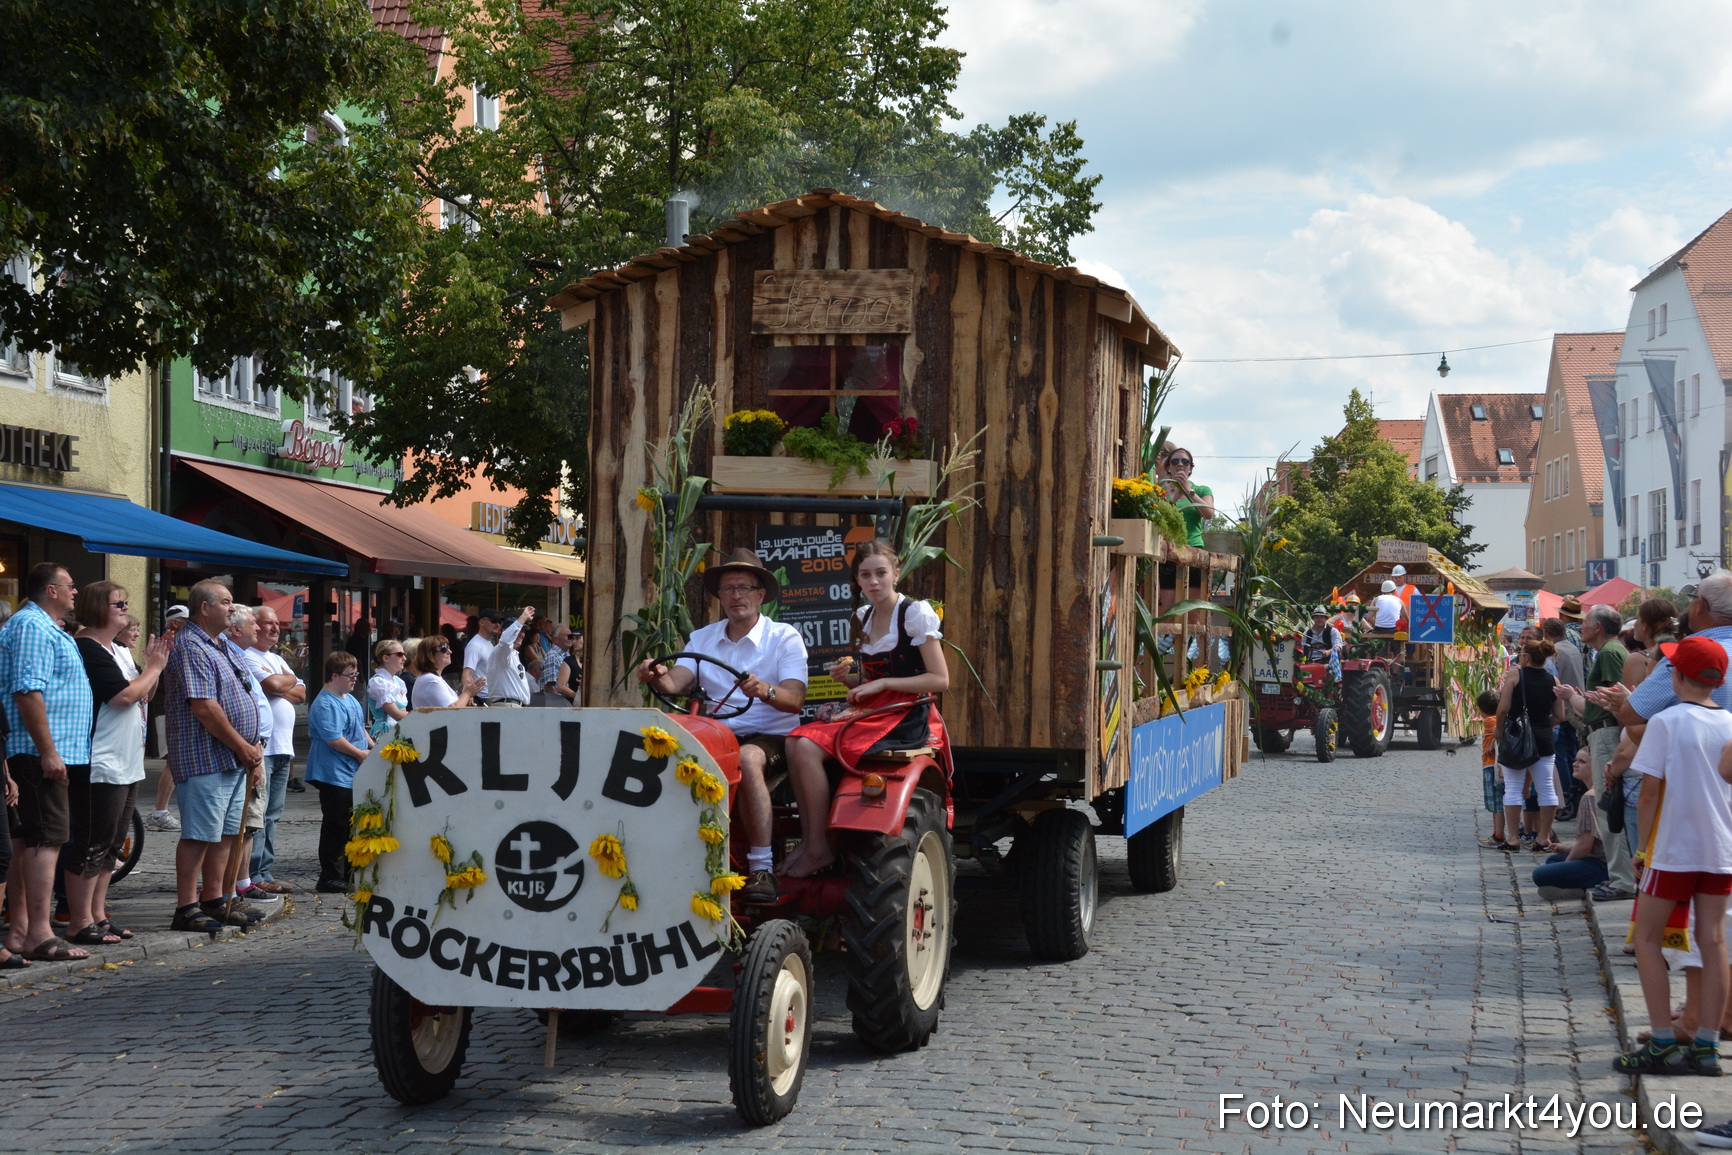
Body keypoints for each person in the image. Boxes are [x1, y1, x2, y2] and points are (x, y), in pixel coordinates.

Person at [636, 548, 808, 903]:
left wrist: (765, 689)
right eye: (728, 589)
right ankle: (660, 855)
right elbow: (674, 683)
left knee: (746, 758)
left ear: (760, 595)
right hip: (717, 735)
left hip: (770, 737)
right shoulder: (703, 638)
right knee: (656, 748)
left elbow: (794, 699)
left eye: (744, 588)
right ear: (720, 597)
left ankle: (761, 867)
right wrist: (656, 675)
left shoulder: (784, 637)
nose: (736, 596)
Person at [783, 541, 950, 879]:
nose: (874, 582)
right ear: (857, 580)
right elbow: (868, 681)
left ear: (896, 574)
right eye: (865, 575)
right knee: (793, 741)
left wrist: (882, 684)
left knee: (805, 747)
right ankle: (814, 840)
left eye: (880, 573)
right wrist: (851, 679)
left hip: (905, 712)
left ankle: (817, 848)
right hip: (874, 709)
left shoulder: (914, 614)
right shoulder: (864, 615)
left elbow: (940, 679)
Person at [1613, 635, 1732, 1077]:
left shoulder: (1666, 722)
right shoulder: (1731, 724)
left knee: (1647, 939)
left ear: (1676, 676)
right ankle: (1707, 1044)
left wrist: (1642, 850)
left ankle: (1662, 1039)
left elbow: (1649, 792)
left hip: (1674, 849)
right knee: (1714, 942)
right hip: (1720, 849)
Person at [0, 563, 94, 962]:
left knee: (32, 844)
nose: (75, 592)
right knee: (45, 840)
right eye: (70, 586)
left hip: (50, 750)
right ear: (51, 590)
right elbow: (27, 691)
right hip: (37, 751)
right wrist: (48, 750)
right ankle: (40, 931)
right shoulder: (32, 627)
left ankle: (21, 932)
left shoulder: (45, 627)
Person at [162, 580, 267, 933]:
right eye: (225, 602)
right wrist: (243, 746)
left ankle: (216, 898)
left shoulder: (220, 644)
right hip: (204, 756)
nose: (232, 608)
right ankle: (186, 906)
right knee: (199, 835)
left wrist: (252, 752)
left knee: (225, 834)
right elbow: (205, 708)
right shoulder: (192, 645)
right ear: (204, 608)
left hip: (234, 759)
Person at [69, 581, 169, 946]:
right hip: (101, 758)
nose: (125, 609)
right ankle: (79, 919)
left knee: (112, 844)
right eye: (118, 604)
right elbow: (124, 697)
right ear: (99, 608)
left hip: (127, 758)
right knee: (92, 842)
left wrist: (155, 668)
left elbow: (144, 692)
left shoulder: (118, 647)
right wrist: (154, 669)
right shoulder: (89, 647)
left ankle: (98, 913)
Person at [1554, 605, 1632, 901]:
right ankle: (1618, 875)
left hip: (1608, 733)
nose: (1580, 627)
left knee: (1608, 807)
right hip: (1605, 730)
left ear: (1598, 627)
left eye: (1585, 622)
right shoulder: (1609, 650)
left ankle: (1621, 880)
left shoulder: (1611, 652)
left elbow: (1617, 697)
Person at [244, 606, 303, 897]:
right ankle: (253, 873)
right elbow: (272, 684)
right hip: (263, 748)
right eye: (267, 624)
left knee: (273, 814)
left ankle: (264, 870)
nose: (274, 628)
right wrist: (284, 680)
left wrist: (284, 681)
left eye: (276, 623)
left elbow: (300, 693)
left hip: (283, 747)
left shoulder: (276, 659)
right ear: (254, 626)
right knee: (258, 813)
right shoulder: (247, 655)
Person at [222, 606, 277, 910]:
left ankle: (241, 881)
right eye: (254, 624)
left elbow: (296, 689)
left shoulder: (239, 655)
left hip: (258, 745)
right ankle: (231, 886)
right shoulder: (230, 654)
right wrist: (249, 745)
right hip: (247, 747)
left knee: (251, 821)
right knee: (240, 822)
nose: (258, 628)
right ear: (236, 629)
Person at [307, 652, 371, 894]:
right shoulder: (325, 703)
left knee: (348, 824)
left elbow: (359, 728)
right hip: (332, 773)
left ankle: (347, 872)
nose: (355, 679)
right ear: (335, 676)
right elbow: (334, 739)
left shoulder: (349, 698)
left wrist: (373, 747)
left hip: (350, 772)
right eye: (350, 675)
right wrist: (359, 754)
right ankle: (330, 876)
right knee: (335, 825)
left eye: (356, 674)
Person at [1497, 636, 1565, 851]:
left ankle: (1513, 838)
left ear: (1525, 656)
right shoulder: (1553, 681)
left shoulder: (1516, 674)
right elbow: (1559, 715)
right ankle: (1543, 837)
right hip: (1543, 738)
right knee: (1546, 787)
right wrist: (1542, 725)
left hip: (1516, 737)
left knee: (1513, 788)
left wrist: (1499, 731)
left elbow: (1503, 708)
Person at [1531, 748, 1608, 898]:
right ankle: (1574, 886)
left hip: (1601, 865)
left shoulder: (1589, 797)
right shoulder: (1601, 791)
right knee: (1552, 860)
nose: (1575, 764)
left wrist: (1567, 862)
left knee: (1540, 874)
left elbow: (1585, 845)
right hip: (1604, 859)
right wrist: (1567, 849)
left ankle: (1580, 887)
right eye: (1576, 760)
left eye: (1582, 762)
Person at [149, 604, 193, 819]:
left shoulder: (177, 641)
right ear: (175, 622)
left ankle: (162, 810)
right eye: (187, 619)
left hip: (171, 708)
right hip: (167, 708)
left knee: (175, 760)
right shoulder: (170, 642)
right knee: (172, 761)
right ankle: (160, 811)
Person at [1474, 690, 1512, 851]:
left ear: (1481, 709)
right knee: (1501, 801)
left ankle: (1498, 835)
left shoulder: (1489, 721)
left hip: (1491, 766)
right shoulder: (1502, 719)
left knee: (1496, 803)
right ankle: (1500, 833)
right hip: (1502, 767)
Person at [1158, 446, 1214, 548]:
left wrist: (1188, 490)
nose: (1180, 464)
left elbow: (1208, 514)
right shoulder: (1159, 491)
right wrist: (1175, 498)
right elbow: (1160, 518)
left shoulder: (1202, 490)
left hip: (1194, 548)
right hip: (1167, 548)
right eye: (1174, 461)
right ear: (1168, 468)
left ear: (1190, 468)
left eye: (1185, 462)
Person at [483, 606, 538, 707]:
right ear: (504, 631)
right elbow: (505, 640)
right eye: (519, 630)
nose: (521, 634)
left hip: (514, 707)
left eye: (523, 631)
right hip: (507, 706)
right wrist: (523, 617)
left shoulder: (512, 654)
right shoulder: (501, 651)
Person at [409, 635, 483, 709]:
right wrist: (467, 693)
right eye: (444, 649)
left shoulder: (433, 678)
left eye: (448, 647)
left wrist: (463, 695)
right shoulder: (431, 680)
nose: (449, 652)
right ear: (430, 654)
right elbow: (452, 712)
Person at [367, 638, 411, 737]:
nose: (404, 658)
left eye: (404, 655)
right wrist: (420, 715)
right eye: (399, 654)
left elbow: (402, 712)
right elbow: (397, 715)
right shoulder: (378, 682)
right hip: (385, 733)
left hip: (400, 730)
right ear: (386, 658)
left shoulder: (398, 682)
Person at [463, 608, 504, 704]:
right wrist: (468, 695)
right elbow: (467, 673)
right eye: (494, 621)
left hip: (492, 697)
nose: (498, 625)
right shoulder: (475, 644)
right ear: (482, 622)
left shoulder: (490, 644)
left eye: (499, 622)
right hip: (482, 698)